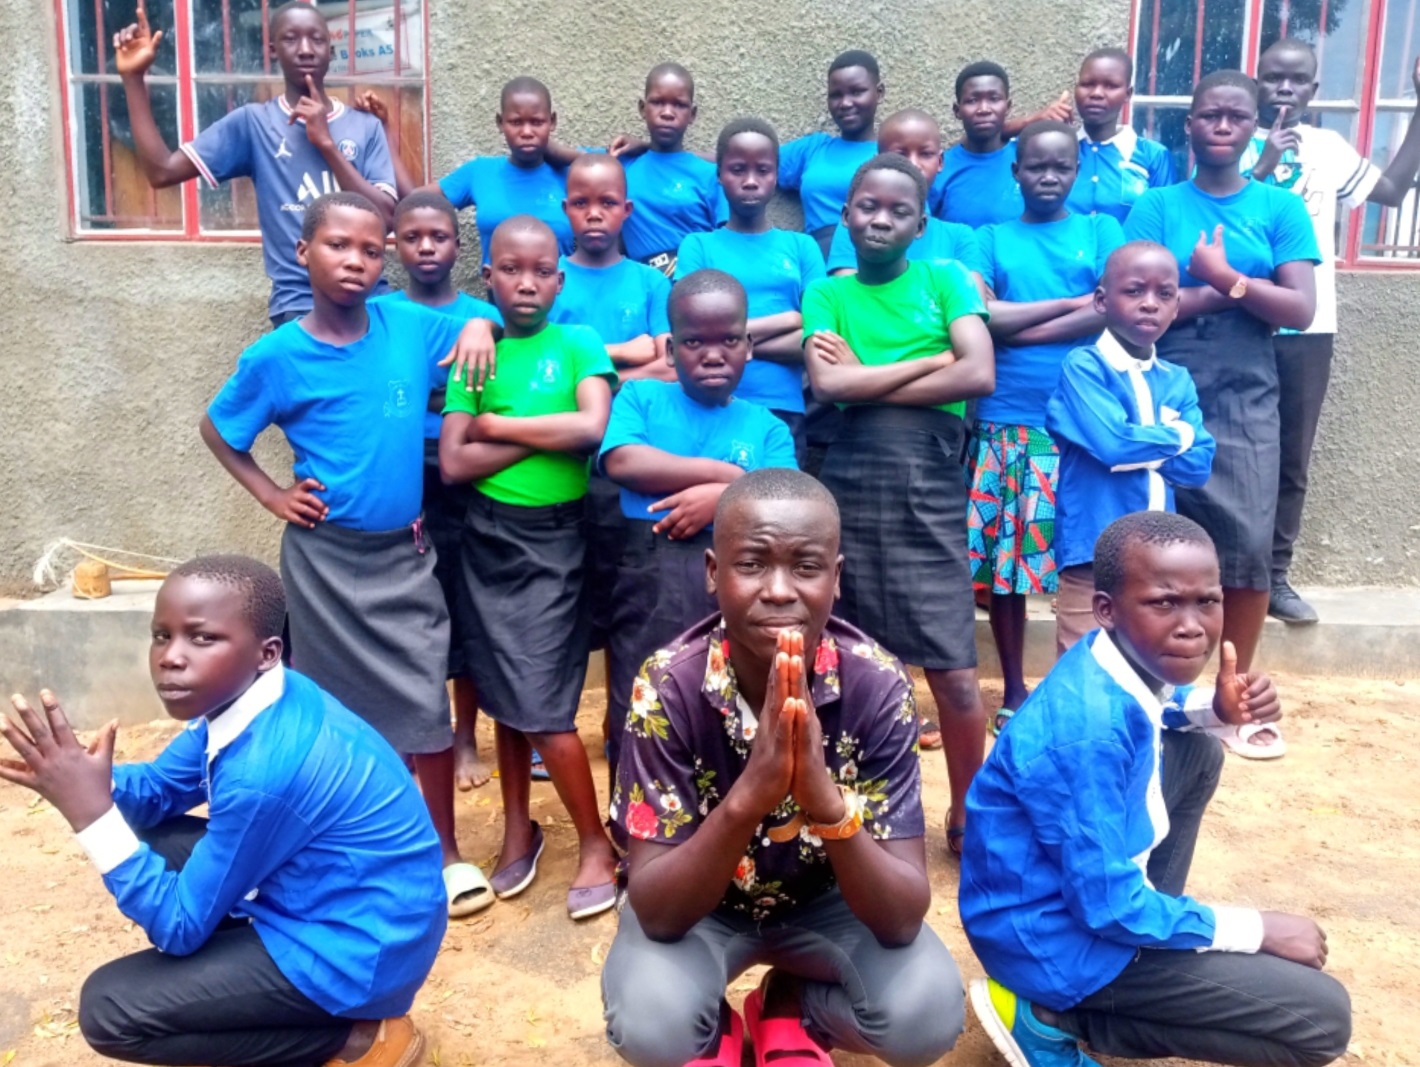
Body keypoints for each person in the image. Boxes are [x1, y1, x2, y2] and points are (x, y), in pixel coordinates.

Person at [0, 556, 446, 1067]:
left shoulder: (265, 769)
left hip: (359, 949)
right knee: (147, 835)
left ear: (266, 651)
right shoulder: (257, 694)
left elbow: (179, 925)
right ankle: (267, 989)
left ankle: (353, 1038)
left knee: (110, 1010)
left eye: (202, 638)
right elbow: (161, 789)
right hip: (333, 895)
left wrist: (91, 813)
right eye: (161, 636)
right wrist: (81, 775)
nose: (171, 658)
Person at [200, 191, 498, 919]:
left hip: (405, 554)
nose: (356, 261)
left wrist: (484, 325)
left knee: (426, 698)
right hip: (325, 562)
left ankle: (444, 853)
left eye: (371, 250)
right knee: (334, 713)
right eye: (338, 246)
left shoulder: (404, 324)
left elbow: (478, 324)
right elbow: (218, 428)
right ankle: (355, 846)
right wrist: (272, 495)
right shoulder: (276, 356)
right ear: (303, 252)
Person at [602, 469, 965, 1067]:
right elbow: (659, 914)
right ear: (713, 574)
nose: (778, 590)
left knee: (923, 1017)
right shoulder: (667, 686)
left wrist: (822, 798)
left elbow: (901, 919)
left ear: (836, 579)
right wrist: (752, 793)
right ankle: (711, 1029)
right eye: (751, 565)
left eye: (805, 567)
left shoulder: (877, 686)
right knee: (652, 1025)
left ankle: (794, 1006)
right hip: (704, 911)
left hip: (829, 905)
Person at [961, 511, 1352, 1067]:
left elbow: (1153, 713)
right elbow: (1108, 908)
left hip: (1067, 905)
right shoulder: (1086, 731)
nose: (1192, 625)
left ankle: (1133, 966)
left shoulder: (1112, 661)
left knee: (1196, 752)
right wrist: (1257, 929)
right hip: (1049, 943)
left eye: (1207, 601)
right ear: (1106, 610)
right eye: (1164, 603)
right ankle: (1051, 1017)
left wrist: (1214, 709)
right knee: (1322, 1019)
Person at [802, 153, 996, 854]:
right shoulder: (827, 293)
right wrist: (928, 363)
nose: (880, 219)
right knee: (849, 656)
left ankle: (971, 811)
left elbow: (977, 371)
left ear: (921, 224)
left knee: (953, 667)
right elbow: (830, 388)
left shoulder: (946, 277)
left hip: (928, 481)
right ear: (845, 215)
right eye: (867, 207)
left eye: (898, 210)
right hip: (849, 477)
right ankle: (860, 803)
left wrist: (869, 375)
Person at [1125, 70, 1318, 758]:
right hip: (1167, 375)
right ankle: (1159, 688)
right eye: (1210, 115)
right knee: (1161, 530)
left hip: (1246, 384)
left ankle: (1233, 691)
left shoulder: (1278, 206)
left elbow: (1299, 309)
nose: (1223, 126)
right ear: (1190, 124)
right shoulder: (1156, 206)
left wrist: (1219, 278)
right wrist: (1237, 287)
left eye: (1238, 116)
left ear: (1254, 125)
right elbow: (1141, 296)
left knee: (1243, 540)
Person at [439, 215, 620, 921]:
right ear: (488, 278)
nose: (525, 281)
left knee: (544, 707)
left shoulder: (577, 342)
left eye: (540, 269)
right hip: (486, 539)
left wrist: (495, 426)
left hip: (556, 544)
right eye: (509, 269)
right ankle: (520, 826)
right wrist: (532, 436)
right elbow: (454, 461)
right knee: (498, 691)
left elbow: (589, 429)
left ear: (559, 278)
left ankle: (597, 842)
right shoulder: (477, 355)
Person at [1245, 39, 1420, 625]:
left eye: (1298, 80)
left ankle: (1274, 576)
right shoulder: (1229, 139)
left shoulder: (1329, 148)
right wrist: (1263, 161)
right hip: (1235, 322)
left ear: (1316, 91)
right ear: (1257, 81)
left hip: (1308, 329)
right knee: (1225, 453)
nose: (1285, 89)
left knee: (1291, 456)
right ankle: (1221, 574)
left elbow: (1391, 193)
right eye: (1273, 78)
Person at [599, 269, 797, 784]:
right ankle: (637, 827)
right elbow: (622, 460)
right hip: (652, 578)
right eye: (693, 342)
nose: (713, 354)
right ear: (669, 350)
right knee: (644, 691)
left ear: (749, 345)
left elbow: (785, 503)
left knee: (731, 700)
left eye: (729, 339)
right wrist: (728, 478)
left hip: (740, 587)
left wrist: (722, 502)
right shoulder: (641, 398)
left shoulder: (768, 427)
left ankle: (728, 819)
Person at [970, 119, 1125, 732]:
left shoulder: (1100, 229)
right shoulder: (989, 237)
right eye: (1036, 166)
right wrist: (1075, 307)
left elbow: (1111, 307)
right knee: (1008, 569)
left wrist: (1016, 324)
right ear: (1016, 172)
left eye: (1062, 166)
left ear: (1079, 171)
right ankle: (1012, 688)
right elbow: (983, 315)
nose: (1049, 176)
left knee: (1089, 561)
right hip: (1011, 420)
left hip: (1089, 427)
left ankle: (1085, 680)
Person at [112, 0, 397, 326]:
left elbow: (386, 220)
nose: (305, 49)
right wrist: (133, 79)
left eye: (317, 39)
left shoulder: (365, 126)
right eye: (291, 39)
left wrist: (328, 145)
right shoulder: (254, 124)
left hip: (372, 300)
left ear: (331, 50)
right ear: (272, 50)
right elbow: (162, 171)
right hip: (301, 306)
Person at [374, 190, 503, 792]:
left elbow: (488, 399)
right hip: (402, 475)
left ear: (459, 243)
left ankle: (464, 737)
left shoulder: (484, 313)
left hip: (467, 476)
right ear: (393, 244)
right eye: (412, 236)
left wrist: (439, 394)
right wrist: (442, 396)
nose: (426, 247)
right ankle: (404, 733)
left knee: (464, 605)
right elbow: (388, 395)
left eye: (440, 236)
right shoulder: (380, 314)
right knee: (406, 611)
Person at [1046, 241, 1215, 655]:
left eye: (1165, 294)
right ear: (1102, 300)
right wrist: (1179, 436)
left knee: (1156, 670)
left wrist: (1136, 444)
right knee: (1085, 668)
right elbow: (1113, 445)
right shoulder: (1084, 368)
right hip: (1095, 557)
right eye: (1134, 291)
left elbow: (1198, 467)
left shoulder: (1177, 379)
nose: (1150, 304)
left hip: (1162, 563)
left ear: (1177, 306)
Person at [676, 118, 827, 448]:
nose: (750, 181)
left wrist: (728, 341)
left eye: (762, 170)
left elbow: (820, 338)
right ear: (718, 174)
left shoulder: (802, 248)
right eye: (737, 169)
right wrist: (790, 320)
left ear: (776, 176)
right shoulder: (698, 246)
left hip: (782, 411)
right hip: (708, 406)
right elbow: (693, 332)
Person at [825, 109, 987, 288]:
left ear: (940, 161)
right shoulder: (858, 228)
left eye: (925, 154)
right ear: (879, 160)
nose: (913, 164)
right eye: (900, 155)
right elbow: (849, 299)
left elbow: (973, 305)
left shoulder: (959, 237)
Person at [436, 77, 575, 267]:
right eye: (516, 122)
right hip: (495, 297)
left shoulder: (575, 175)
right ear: (500, 123)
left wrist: (563, 154)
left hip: (564, 295)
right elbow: (416, 203)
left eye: (537, 122)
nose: (526, 131)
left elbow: (613, 169)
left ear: (552, 122)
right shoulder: (479, 172)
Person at [613, 64, 727, 276]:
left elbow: (727, 242)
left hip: (698, 284)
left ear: (692, 114)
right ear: (642, 108)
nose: (667, 113)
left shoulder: (711, 175)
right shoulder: (620, 166)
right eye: (657, 102)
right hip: (642, 286)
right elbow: (565, 155)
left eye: (679, 105)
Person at [779, 50, 887, 255]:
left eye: (857, 91)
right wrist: (697, 161)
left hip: (875, 265)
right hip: (820, 266)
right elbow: (745, 160)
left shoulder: (892, 153)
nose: (845, 103)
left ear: (879, 92)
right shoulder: (813, 149)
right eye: (836, 95)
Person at [1067, 47, 1176, 223]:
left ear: (1128, 94)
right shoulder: (1059, 152)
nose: (1096, 94)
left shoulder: (1153, 156)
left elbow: (1165, 222)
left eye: (1110, 86)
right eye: (1087, 84)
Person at [937, 62, 1026, 228]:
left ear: (1007, 107)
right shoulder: (941, 168)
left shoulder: (1026, 159)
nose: (984, 109)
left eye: (994, 99)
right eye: (972, 100)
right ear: (957, 110)